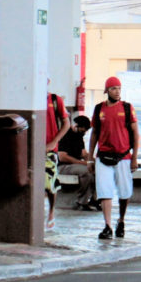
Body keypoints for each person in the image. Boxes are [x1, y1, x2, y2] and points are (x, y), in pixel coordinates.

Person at [88, 76, 139, 240]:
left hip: (123, 156)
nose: (117, 92)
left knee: (125, 192)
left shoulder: (126, 108)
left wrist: (134, 158)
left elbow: (136, 134)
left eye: (119, 88)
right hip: (103, 156)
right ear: (107, 91)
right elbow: (94, 133)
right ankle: (107, 225)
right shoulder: (98, 109)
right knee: (104, 191)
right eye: (113, 88)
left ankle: (121, 220)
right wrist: (90, 157)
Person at [44, 85, 72, 229]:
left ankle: (51, 211)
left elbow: (66, 123)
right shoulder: (30, 98)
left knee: (50, 183)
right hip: (33, 148)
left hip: (50, 148)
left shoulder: (55, 100)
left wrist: (54, 141)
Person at [58, 115, 97, 210]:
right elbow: (62, 157)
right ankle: (81, 202)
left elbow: (83, 153)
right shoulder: (65, 135)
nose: (83, 133)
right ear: (75, 126)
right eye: (82, 130)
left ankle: (95, 199)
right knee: (86, 172)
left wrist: (93, 161)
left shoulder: (79, 136)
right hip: (64, 166)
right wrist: (82, 163)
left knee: (97, 171)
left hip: (75, 166)